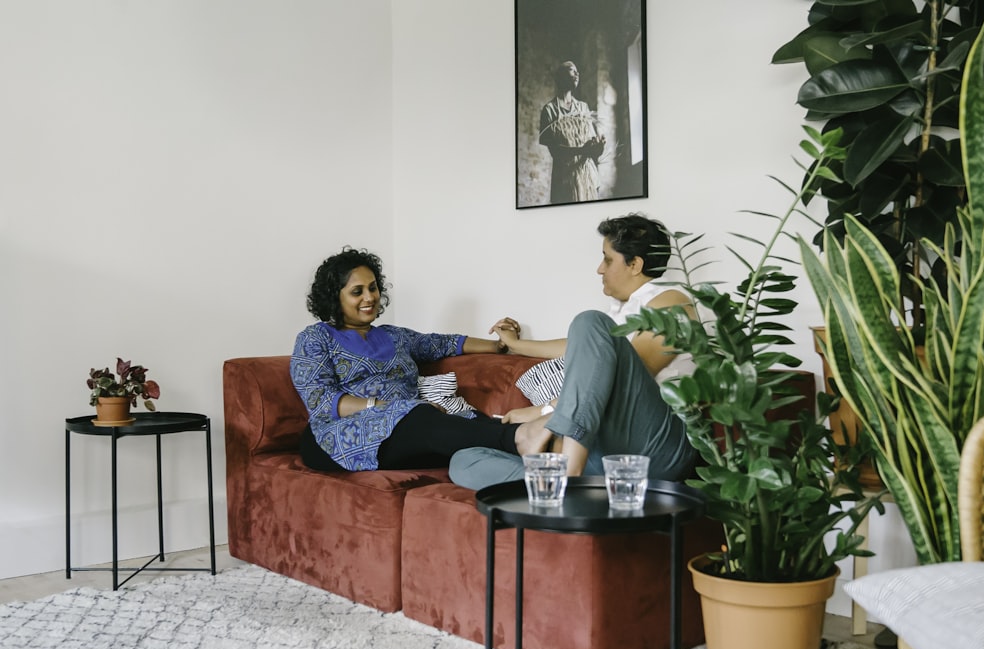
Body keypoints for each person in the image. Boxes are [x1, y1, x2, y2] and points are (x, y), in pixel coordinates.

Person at [449, 214, 696, 490]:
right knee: (465, 461)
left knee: (588, 321)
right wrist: (516, 345)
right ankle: (580, 490)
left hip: (656, 447)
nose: (599, 269)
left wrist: (545, 412)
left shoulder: (674, 302)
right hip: (603, 453)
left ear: (635, 264)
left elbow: (625, 375)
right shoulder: (617, 317)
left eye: (607, 259)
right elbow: (578, 347)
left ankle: (569, 473)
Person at [290, 247, 546, 472]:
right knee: (421, 415)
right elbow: (321, 401)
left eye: (373, 287)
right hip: (335, 438)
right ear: (335, 297)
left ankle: (545, 453)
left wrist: (501, 344)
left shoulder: (394, 336)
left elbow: (444, 343)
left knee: (469, 423)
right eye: (357, 292)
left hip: (405, 432)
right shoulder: (315, 338)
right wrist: (389, 407)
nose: (369, 297)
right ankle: (520, 437)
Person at [539, 60, 606, 204]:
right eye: (571, 69)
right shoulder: (549, 110)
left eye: (577, 71)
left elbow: (592, 150)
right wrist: (582, 150)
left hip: (587, 177)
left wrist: (599, 148)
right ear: (560, 77)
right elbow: (555, 151)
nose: (577, 73)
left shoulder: (583, 108)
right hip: (564, 179)